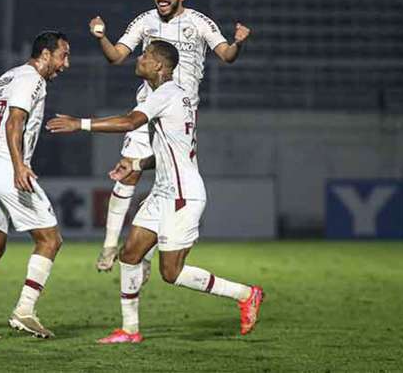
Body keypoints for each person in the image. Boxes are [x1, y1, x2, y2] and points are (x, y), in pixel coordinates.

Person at [46, 40, 264, 343]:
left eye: (146, 55)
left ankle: (245, 294)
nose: (140, 58)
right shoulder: (174, 96)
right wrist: (135, 162)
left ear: (160, 65)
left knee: (171, 273)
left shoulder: (167, 94)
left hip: (182, 196)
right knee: (131, 254)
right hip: (164, 192)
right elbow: (170, 150)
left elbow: (129, 122)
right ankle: (130, 330)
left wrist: (79, 124)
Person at [88, 0, 252, 274]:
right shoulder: (144, 21)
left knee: (170, 179)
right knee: (128, 171)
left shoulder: (199, 22)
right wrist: (101, 37)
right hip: (147, 106)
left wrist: (238, 42)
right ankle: (110, 245)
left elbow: (226, 55)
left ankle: (147, 254)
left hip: (180, 112)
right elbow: (116, 56)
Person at [0, 31, 70, 343]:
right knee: (50, 239)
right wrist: (19, 165)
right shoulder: (31, 79)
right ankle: (24, 310)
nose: (66, 63)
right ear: (45, 54)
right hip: (7, 166)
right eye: (63, 55)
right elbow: (13, 122)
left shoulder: (4, 79)